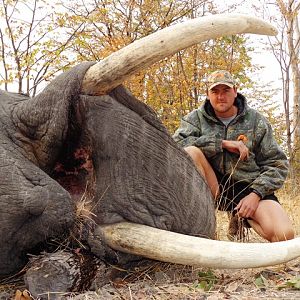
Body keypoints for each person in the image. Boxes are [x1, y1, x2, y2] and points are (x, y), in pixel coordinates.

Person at [173, 70, 294, 242]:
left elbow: (278, 164)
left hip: (249, 187)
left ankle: (242, 216)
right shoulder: (195, 118)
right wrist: (221, 143)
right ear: (207, 95)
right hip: (214, 186)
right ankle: (200, 225)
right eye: (215, 91)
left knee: (284, 236)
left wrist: (256, 194)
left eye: (226, 91)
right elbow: (176, 145)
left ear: (235, 91)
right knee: (191, 152)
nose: (220, 96)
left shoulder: (256, 121)